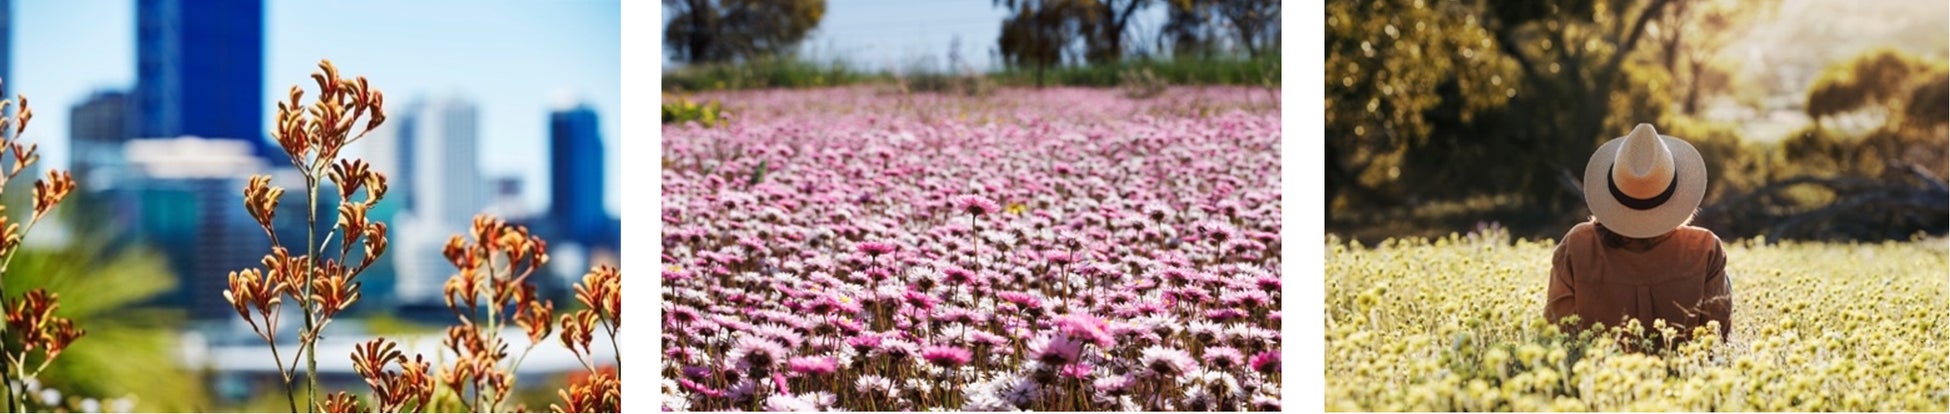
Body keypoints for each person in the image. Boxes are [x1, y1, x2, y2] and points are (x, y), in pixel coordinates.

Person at [1546, 124, 1733, 345]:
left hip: (1596, 376)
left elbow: (1558, 332)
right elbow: (1717, 335)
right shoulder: (1705, 248)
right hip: (1684, 376)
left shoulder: (1577, 245)